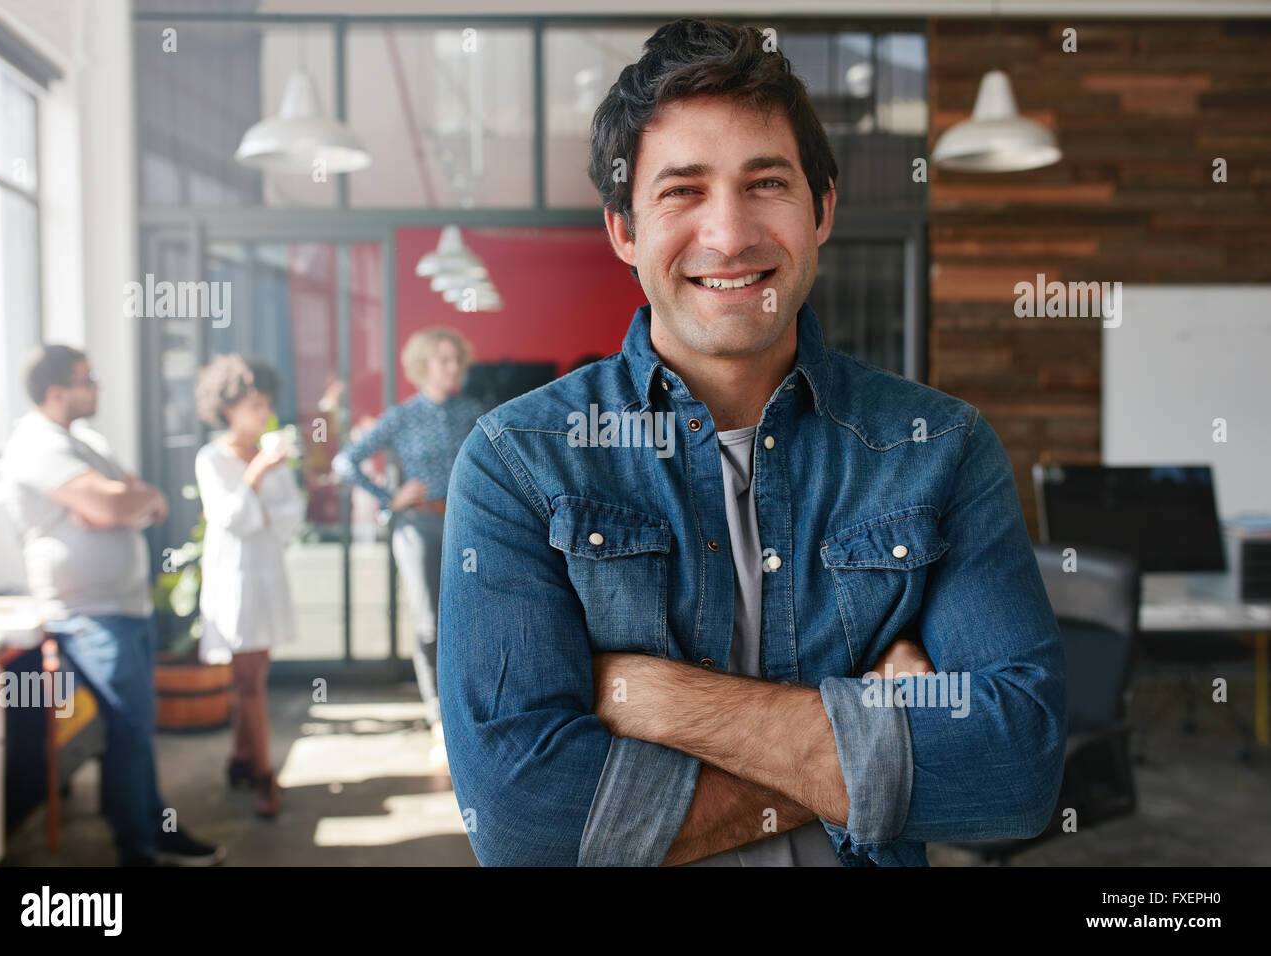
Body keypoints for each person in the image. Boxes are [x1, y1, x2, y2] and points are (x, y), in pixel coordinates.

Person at [438, 18, 1067, 866]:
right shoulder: (519, 461)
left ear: (823, 210)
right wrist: (870, 741)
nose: (729, 235)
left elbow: (1017, 770)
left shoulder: (941, 448)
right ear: (624, 229)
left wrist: (655, 698)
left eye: (766, 182)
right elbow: (525, 823)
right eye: (682, 190)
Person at [0, 345, 224, 866]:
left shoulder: (83, 442)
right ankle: (137, 848)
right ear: (57, 391)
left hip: (123, 608)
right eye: (87, 379)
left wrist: (118, 505)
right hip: (87, 614)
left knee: (137, 729)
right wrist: (115, 504)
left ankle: (153, 829)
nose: (96, 386)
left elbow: (144, 497)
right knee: (128, 728)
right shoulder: (37, 446)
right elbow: (115, 501)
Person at [331, 328, 484, 770]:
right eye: (442, 360)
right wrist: (387, 500)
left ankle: (469, 714)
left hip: (465, 525)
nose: (452, 367)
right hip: (416, 525)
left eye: (456, 359)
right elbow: (345, 462)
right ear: (421, 366)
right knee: (430, 622)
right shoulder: (401, 417)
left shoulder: (474, 412)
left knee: (471, 617)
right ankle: (438, 718)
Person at [194, 355, 305, 818]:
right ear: (227, 409)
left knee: (251, 678)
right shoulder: (213, 457)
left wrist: (257, 505)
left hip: (266, 574)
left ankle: (240, 759)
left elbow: (292, 516)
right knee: (251, 681)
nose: (263, 414)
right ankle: (265, 776)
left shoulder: (272, 456)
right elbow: (230, 518)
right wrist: (257, 477)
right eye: (253, 405)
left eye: (266, 405)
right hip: (233, 579)